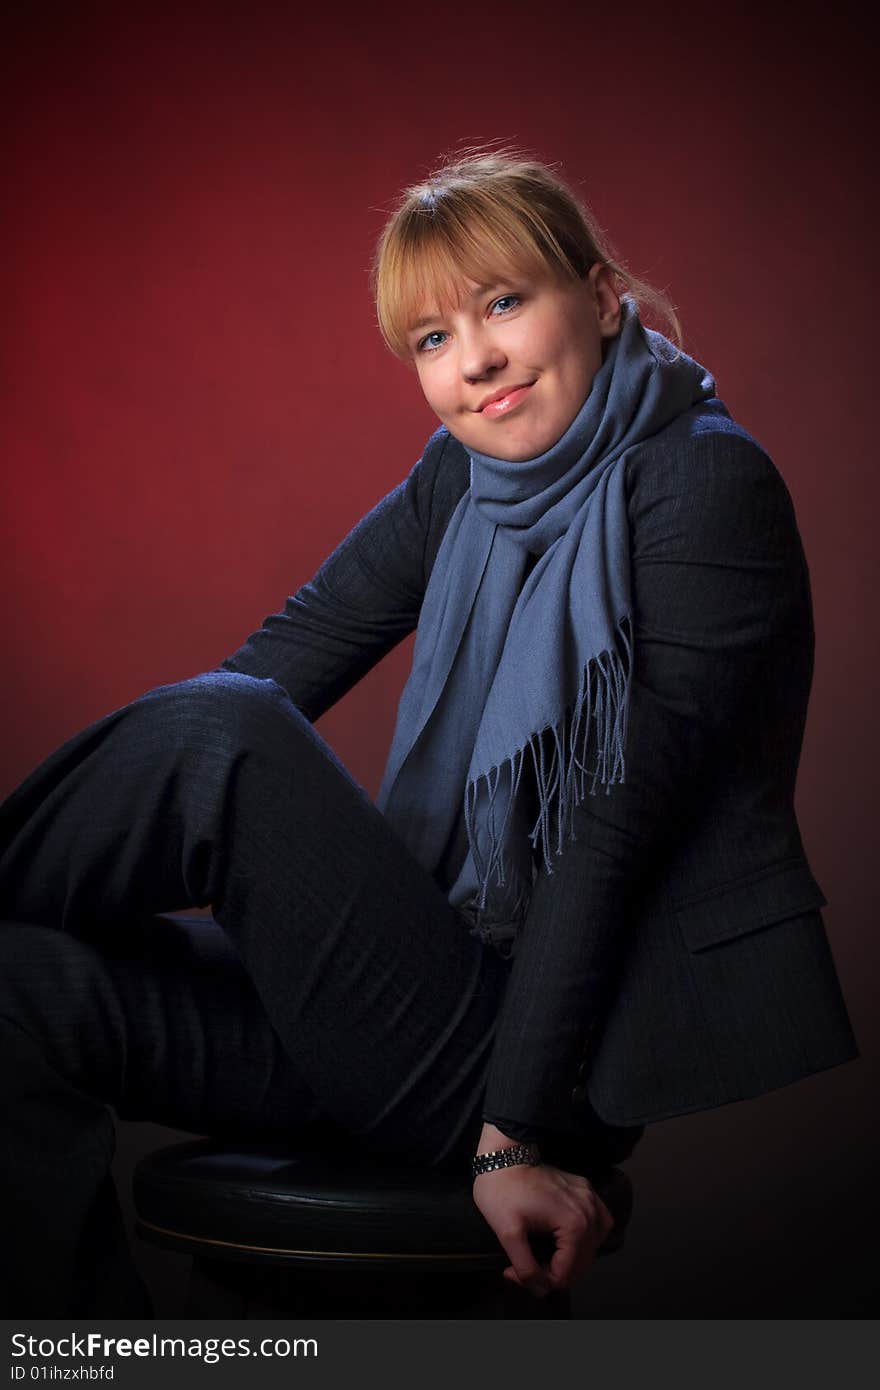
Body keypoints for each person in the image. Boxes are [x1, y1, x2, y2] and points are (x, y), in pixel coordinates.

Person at [0, 149, 859, 1317]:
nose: (476, 364)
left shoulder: (703, 488)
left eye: (503, 302)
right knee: (20, 984)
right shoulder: (464, 477)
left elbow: (601, 837)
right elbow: (291, 650)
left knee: (229, 737)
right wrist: (151, 802)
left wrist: (510, 1141)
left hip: (517, 1059)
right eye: (432, 340)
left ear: (601, 297)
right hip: (403, 996)